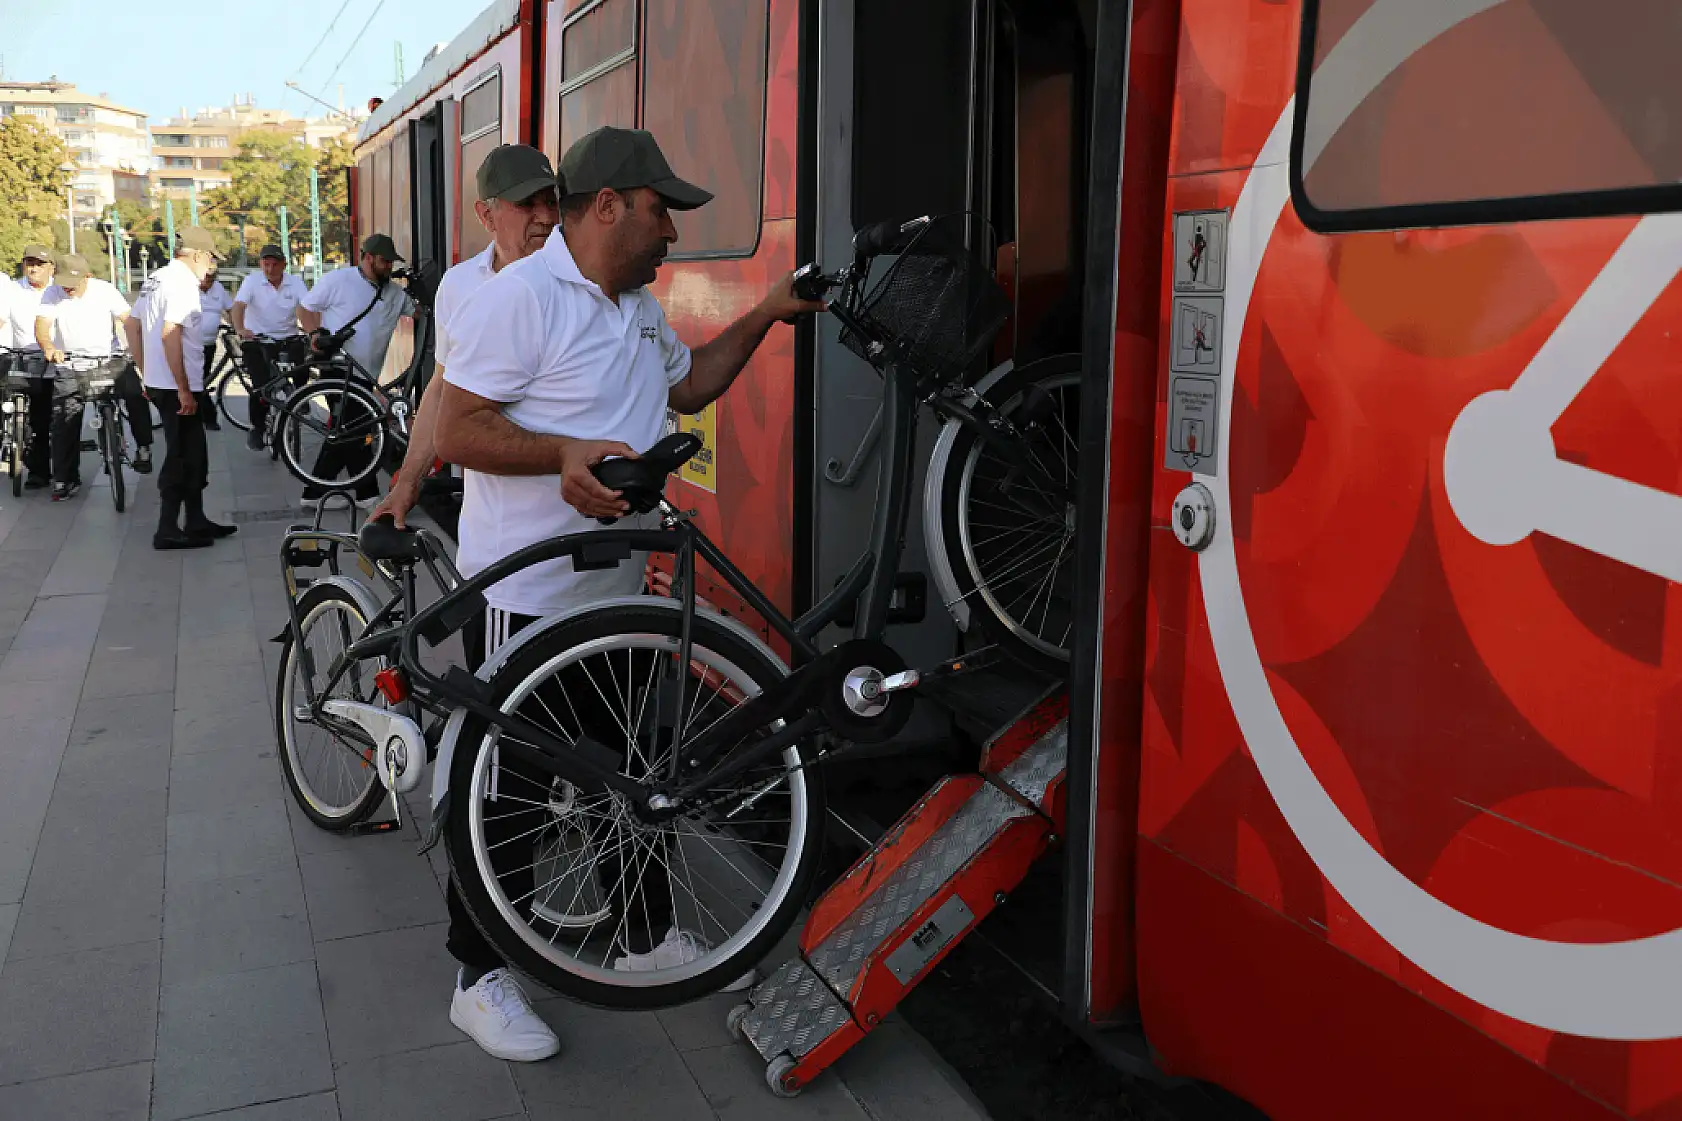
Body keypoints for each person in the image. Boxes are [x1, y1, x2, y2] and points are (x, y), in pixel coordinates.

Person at [433, 126, 825, 1062]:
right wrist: (560, 459)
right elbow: (457, 429)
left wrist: (769, 308)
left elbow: (690, 388)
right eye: (662, 212)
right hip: (528, 592)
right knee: (509, 788)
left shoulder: (635, 308)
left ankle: (643, 935)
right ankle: (476, 974)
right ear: (606, 204)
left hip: (616, 588)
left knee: (629, 774)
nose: (673, 234)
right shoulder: (519, 299)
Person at [372, 144, 560, 529]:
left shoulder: (581, 280)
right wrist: (407, 483)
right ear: (486, 215)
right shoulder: (459, 285)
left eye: (551, 202)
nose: (546, 217)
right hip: (494, 527)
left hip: (572, 520)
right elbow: (442, 387)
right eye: (528, 204)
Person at [134, 227, 237, 549]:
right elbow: (170, 332)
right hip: (177, 385)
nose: (211, 266)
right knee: (180, 456)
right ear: (196, 255)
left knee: (195, 455)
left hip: (162, 381)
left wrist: (145, 372)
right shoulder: (182, 283)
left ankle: (195, 521)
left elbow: (132, 325)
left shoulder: (156, 278)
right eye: (209, 258)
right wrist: (183, 389)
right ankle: (166, 529)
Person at [297, 234, 413, 506]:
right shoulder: (340, 280)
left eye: (391, 262)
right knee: (355, 428)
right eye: (384, 261)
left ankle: (315, 494)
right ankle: (366, 494)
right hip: (338, 369)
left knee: (349, 430)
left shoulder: (394, 293)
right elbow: (305, 308)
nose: (388, 267)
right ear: (368, 257)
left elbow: (420, 312)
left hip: (365, 374)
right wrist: (315, 333)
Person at [33, 253, 152, 498]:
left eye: (72, 283)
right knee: (64, 419)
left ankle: (143, 447)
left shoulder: (105, 291)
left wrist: (135, 347)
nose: (67, 289)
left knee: (134, 392)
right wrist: (49, 348)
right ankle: (65, 478)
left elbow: (127, 320)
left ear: (87, 276)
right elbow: (42, 325)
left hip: (107, 359)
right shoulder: (52, 294)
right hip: (70, 363)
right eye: (63, 282)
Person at [232, 244, 309, 447]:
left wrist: (313, 331)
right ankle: (258, 428)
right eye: (266, 264)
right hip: (258, 340)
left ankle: (301, 398)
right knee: (260, 386)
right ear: (261, 264)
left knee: (304, 365)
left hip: (288, 337)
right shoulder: (252, 281)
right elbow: (239, 306)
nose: (270, 269)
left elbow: (305, 308)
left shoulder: (296, 283)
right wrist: (240, 329)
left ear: (283, 265)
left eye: (275, 265)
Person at [1, 246, 58, 489]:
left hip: (54, 359)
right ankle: (16, 447)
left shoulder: (59, 290)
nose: (33, 268)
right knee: (26, 414)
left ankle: (52, 472)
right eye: (29, 263)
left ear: (51, 268)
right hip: (22, 358)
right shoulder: (13, 290)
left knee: (48, 418)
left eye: (39, 264)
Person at [195, 267, 235, 431]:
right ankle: (209, 417)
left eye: (210, 280)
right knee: (199, 381)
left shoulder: (218, 289)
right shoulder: (188, 288)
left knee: (204, 379)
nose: (207, 284)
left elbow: (230, 310)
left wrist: (236, 327)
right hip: (191, 344)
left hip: (209, 343)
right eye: (204, 279)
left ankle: (205, 416)